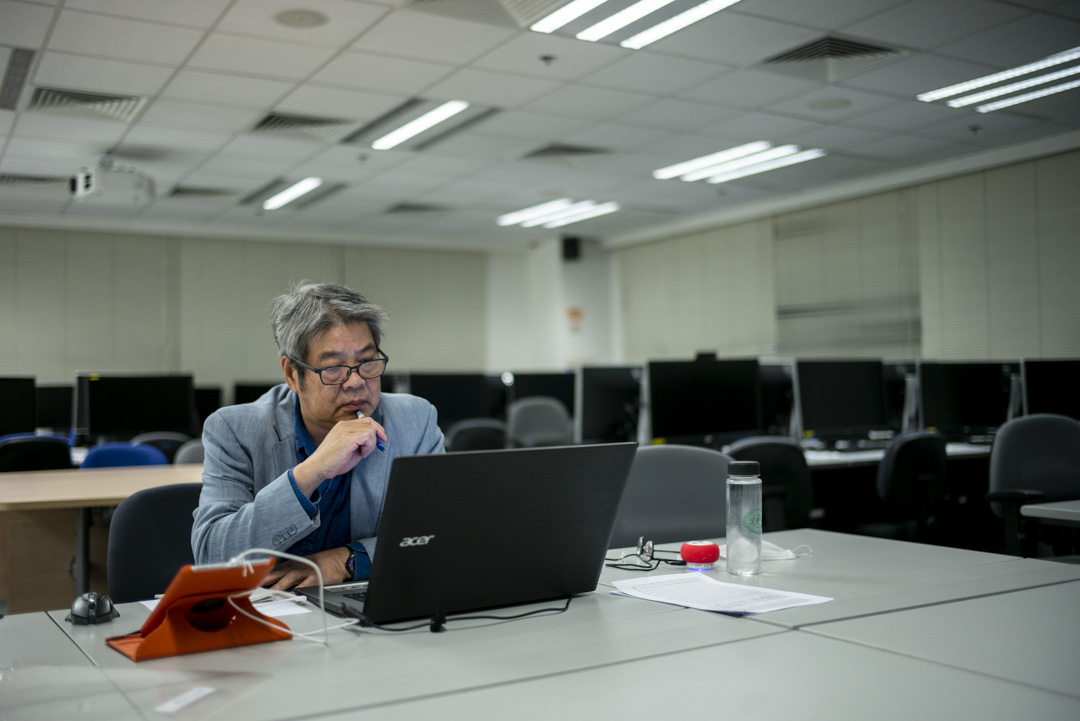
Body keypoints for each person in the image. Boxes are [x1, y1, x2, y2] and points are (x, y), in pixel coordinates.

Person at [192, 282, 445, 589]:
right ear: (291, 374)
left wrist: (345, 561)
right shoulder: (235, 429)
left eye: (367, 362)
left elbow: (439, 532)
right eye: (334, 369)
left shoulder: (415, 420)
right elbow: (212, 555)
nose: (355, 382)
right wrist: (311, 472)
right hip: (270, 610)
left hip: (376, 601)